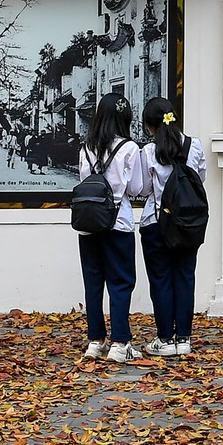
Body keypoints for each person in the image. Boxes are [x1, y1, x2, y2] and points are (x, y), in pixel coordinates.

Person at [136, 96, 206, 357]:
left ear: (150, 126)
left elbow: (142, 189)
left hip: (156, 223)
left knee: (161, 280)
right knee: (185, 277)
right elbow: (201, 178)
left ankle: (165, 339)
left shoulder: (149, 152)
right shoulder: (194, 145)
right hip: (189, 222)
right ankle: (184, 339)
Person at [77, 95, 145, 363]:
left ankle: (95, 341)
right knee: (121, 282)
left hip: (89, 224)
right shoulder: (129, 148)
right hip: (119, 221)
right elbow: (137, 188)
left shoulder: (86, 147)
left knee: (93, 283)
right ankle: (120, 342)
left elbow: (85, 179)